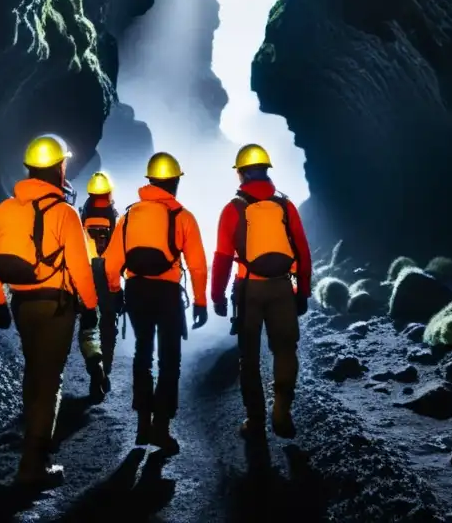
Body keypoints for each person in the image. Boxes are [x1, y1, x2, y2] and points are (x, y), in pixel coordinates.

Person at [0, 134, 99, 485]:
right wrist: (91, 308)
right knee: (50, 381)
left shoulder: (6, 208)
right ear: (58, 168)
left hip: (22, 304)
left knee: (34, 373)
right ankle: (35, 465)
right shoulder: (64, 212)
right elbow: (80, 268)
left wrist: (0, 305)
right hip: (56, 306)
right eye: (64, 164)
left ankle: (31, 449)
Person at [104, 151, 208, 454]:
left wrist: (115, 291)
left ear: (150, 181)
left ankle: (142, 422)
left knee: (142, 353)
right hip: (167, 293)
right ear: (174, 182)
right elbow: (198, 265)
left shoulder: (128, 215)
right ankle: (161, 428)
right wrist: (200, 302)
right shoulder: (183, 217)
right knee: (169, 359)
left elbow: (112, 263)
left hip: (136, 290)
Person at [210, 143, 312, 440]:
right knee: (285, 350)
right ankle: (282, 410)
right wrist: (302, 290)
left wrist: (216, 296)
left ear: (241, 175)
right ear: (267, 172)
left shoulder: (232, 208)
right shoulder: (285, 205)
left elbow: (222, 257)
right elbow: (303, 252)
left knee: (249, 357)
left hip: (248, 289)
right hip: (282, 286)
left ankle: (255, 421)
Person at [76, 171, 119, 401]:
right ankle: (106, 372)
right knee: (108, 328)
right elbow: (119, 255)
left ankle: (95, 366)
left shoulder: (83, 215)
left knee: (88, 327)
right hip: (108, 279)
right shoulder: (114, 216)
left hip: (86, 277)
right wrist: (118, 288)